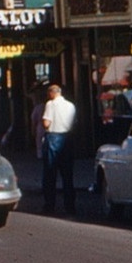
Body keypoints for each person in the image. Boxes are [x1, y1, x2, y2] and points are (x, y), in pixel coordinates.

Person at [40, 83, 76, 215]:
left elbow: (46, 123)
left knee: (50, 174)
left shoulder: (51, 104)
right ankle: (70, 206)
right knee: (67, 175)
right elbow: (74, 123)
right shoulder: (71, 105)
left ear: (51, 93)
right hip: (68, 138)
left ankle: (49, 205)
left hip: (53, 138)